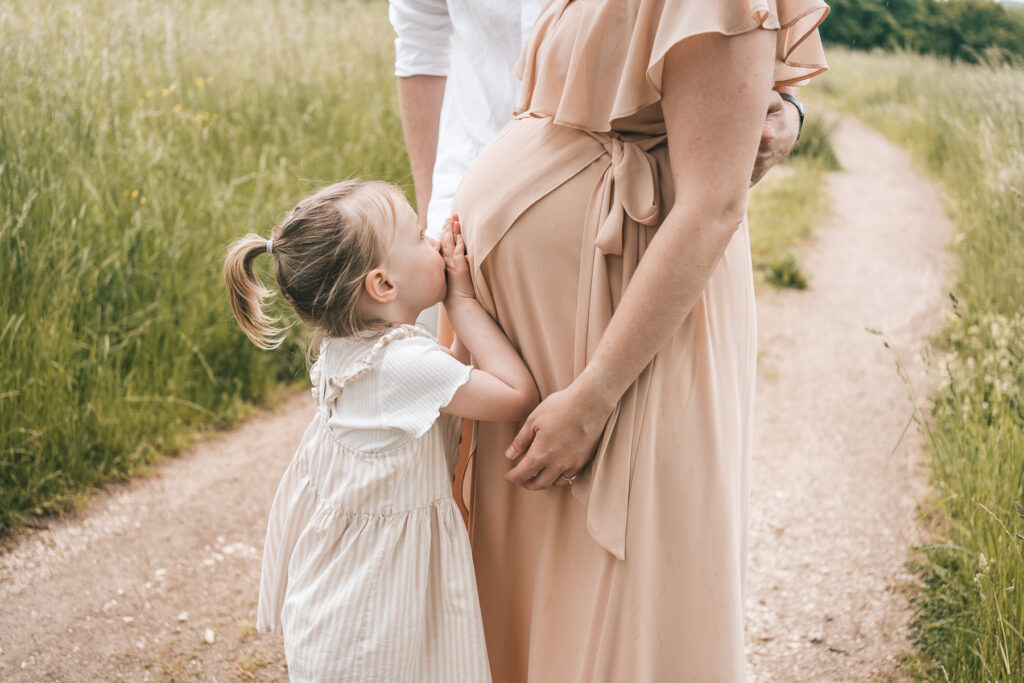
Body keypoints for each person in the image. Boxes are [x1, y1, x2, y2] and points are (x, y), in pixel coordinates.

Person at [451, 0, 830, 681]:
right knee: (534, 589)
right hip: (544, 331)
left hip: (617, 332)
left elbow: (714, 202)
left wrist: (592, 397)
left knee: (620, 594)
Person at [390, 0, 810, 523]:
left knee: (622, 498)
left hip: (627, 275)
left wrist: (787, 108)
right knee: (463, 498)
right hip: (460, 236)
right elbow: (420, 42)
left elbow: (740, 53)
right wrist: (432, 220)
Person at [224, 180, 538, 682]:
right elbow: (516, 394)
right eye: (418, 236)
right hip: (374, 620)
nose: (433, 240)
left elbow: (447, 388)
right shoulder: (402, 365)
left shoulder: (353, 351)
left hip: (342, 607)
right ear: (383, 286)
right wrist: (463, 302)